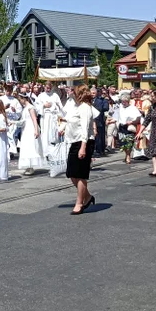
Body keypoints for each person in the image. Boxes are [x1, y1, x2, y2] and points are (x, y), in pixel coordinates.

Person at [64, 84, 95, 214]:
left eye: (75, 93)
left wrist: (83, 147)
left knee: (80, 174)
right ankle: (87, 196)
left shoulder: (85, 107)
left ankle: (79, 203)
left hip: (84, 142)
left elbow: (85, 129)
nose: (73, 95)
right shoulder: (78, 107)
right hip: (74, 141)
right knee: (71, 173)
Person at [16, 92, 46, 175]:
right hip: (25, 128)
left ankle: (31, 166)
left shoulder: (30, 107)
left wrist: (36, 130)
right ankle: (28, 166)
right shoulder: (25, 108)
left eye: (20, 99)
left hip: (30, 128)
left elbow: (34, 119)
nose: (20, 101)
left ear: (24, 99)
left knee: (30, 146)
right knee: (26, 146)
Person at [113, 93, 142, 165]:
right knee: (123, 143)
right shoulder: (120, 107)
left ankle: (128, 156)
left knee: (128, 142)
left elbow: (138, 118)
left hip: (129, 127)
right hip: (121, 126)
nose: (123, 103)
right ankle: (127, 154)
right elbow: (115, 116)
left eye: (125, 101)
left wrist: (132, 122)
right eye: (122, 101)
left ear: (128, 101)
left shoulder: (133, 108)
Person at [92, 87, 110, 157]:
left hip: (99, 120)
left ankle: (100, 150)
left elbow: (106, 108)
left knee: (100, 136)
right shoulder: (89, 100)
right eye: (91, 93)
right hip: (92, 120)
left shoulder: (102, 100)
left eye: (94, 93)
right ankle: (94, 149)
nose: (92, 95)